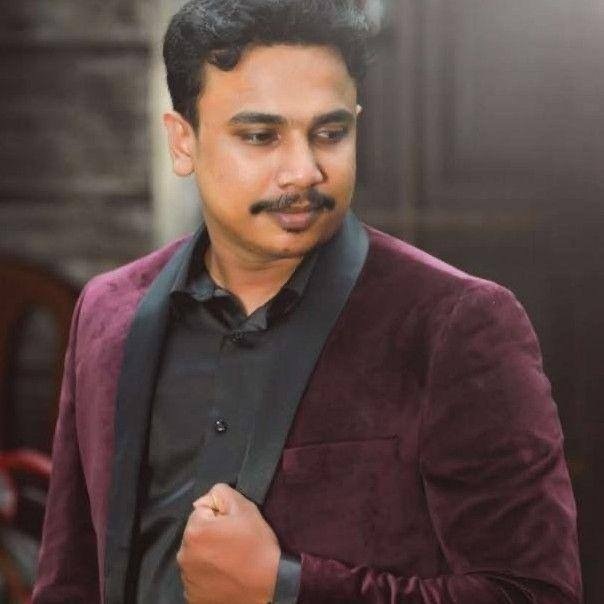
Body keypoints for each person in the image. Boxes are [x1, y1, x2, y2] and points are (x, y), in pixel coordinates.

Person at [33, 1, 582, 603]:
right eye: (260, 136)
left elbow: (534, 594)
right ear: (182, 141)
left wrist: (284, 588)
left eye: (330, 133)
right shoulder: (107, 312)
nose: (304, 171)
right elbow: (69, 582)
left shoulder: (457, 326)